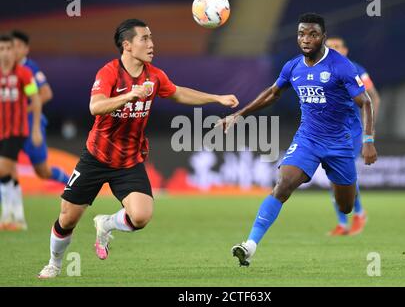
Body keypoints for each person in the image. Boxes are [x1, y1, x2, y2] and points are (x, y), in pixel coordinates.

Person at [37, 18, 239, 278]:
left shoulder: (154, 75)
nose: (151, 44)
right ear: (127, 45)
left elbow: (178, 92)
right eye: (144, 38)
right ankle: (54, 263)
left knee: (141, 216)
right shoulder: (108, 72)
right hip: (96, 157)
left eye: (151, 38)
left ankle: (106, 224)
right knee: (67, 219)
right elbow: (95, 107)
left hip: (129, 161)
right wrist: (130, 96)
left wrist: (216, 98)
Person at [219, 13, 377, 266]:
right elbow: (273, 93)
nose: (306, 39)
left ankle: (351, 210)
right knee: (283, 184)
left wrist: (368, 140)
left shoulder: (341, 66)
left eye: (313, 34)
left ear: (323, 37)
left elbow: (366, 102)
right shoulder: (293, 66)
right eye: (302, 34)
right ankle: (249, 246)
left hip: (340, 143)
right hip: (308, 139)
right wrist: (240, 113)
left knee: (345, 206)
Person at [1, 30, 70, 231]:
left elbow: (45, 94)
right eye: (7, 47)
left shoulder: (29, 69)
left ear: (24, 49)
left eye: (14, 47)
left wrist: (23, 110)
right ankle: (14, 217)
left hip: (30, 125)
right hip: (7, 129)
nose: (10, 51)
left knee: (42, 171)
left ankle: (71, 182)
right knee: (8, 169)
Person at [324, 36, 381, 236]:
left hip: (352, 130)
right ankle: (343, 222)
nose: (333, 49)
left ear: (345, 50)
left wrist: (370, 130)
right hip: (329, 130)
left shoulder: (356, 69)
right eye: (329, 47)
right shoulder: (319, 69)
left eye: (337, 46)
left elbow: (373, 97)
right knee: (333, 176)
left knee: (344, 173)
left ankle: (358, 213)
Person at [0, 35, 42, 230]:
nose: (6, 52)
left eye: (8, 48)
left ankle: (8, 217)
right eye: (2, 49)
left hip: (16, 130)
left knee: (3, 169)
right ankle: (15, 217)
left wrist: (35, 130)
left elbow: (36, 99)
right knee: (9, 172)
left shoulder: (24, 74)